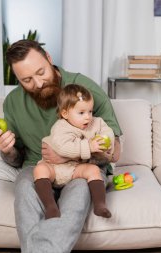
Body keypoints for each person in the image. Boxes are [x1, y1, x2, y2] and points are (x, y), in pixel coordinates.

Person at [0, 39, 122, 253]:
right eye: (27, 80)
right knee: (24, 187)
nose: (38, 83)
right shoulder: (13, 102)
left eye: (41, 72)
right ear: (18, 79)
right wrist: (7, 150)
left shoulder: (84, 89)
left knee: (81, 190)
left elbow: (115, 151)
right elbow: (16, 159)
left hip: (81, 169)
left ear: (49, 59)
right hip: (38, 167)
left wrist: (71, 153)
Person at [35, 84, 114, 219]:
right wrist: (88, 147)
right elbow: (63, 148)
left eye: (90, 111)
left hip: (76, 168)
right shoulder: (60, 127)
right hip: (55, 168)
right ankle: (50, 207)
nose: (88, 117)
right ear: (65, 113)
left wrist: (106, 141)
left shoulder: (96, 123)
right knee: (40, 170)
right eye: (81, 113)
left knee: (93, 170)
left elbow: (108, 132)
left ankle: (100, 205)